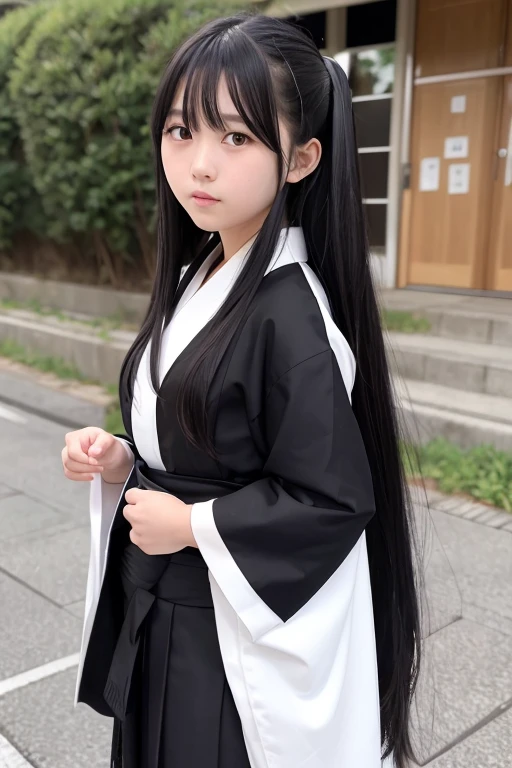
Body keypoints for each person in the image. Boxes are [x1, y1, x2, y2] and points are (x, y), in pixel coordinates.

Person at [61, 13, 422, 768]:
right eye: (180, 131)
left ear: (301, 160)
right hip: (169, 611)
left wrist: (194, 527)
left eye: (235, 138)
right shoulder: (206, 272)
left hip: (221, 640)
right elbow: (215, 442)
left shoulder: (290, 314)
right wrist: (127, 461)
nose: (198, 165)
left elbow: (333, 499)